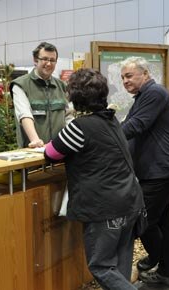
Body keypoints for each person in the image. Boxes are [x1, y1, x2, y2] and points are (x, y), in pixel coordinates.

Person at [44, 68, 144, 290]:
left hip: (106, 207)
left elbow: (51, 153)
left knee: (101, 266)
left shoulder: (80, 127)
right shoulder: (112, 120)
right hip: (130, 201)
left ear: (75, 98)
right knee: (120, 265)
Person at [120, 57, 169, 287]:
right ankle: (167, 274)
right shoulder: (144, 96)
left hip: (161, 172)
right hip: (162, 170)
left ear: (145, 74)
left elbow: (135, 125)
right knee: (164, 223)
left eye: (129, 75)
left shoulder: (154, 93)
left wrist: (105, 137)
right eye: (123, 77)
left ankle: (156, 257)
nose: (125, 81)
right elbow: (132, 124)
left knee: (142, 220)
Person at [10, 42, 68, 148]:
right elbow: (24, 114)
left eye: (52, 60)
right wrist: (35, 140)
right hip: (33, 154)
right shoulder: (20, 85)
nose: (49, 64)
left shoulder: (61, 86)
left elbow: (69, 116)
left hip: (60, 152)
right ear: (35, 60)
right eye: (45, 59)